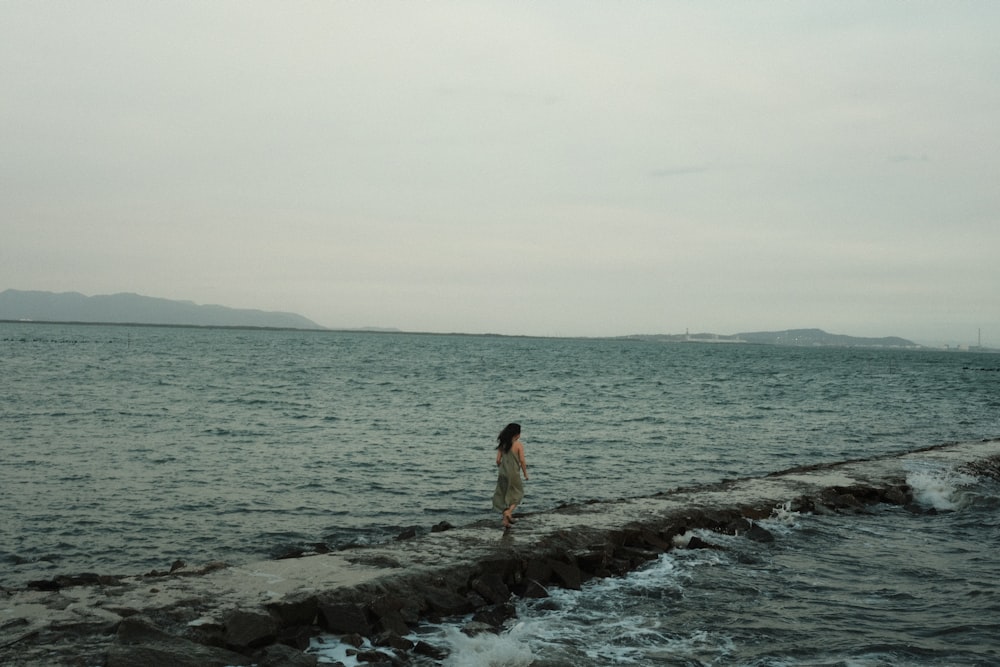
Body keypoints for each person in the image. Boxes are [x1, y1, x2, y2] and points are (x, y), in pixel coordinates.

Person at [492, 422, 528, 529]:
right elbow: (522, 461)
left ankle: (505, 522)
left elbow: (498, 460)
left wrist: (502, 468)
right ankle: (508, 512)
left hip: (503, 472)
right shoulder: (518, 445)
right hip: (513, 473)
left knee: (504, 494)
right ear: (516, 434)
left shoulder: (503, 444)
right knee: (518, 494)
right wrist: (525, 474)